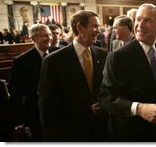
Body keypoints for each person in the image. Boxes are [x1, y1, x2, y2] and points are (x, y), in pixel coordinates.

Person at [99, 3, 156, 142]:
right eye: (138, 19)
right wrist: (139, 108)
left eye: (147, 20)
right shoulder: (118, 56)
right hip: (133, 132)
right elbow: (105, 97)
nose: (140, 25)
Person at [38, 10, 109, 142]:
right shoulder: (54, 60)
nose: (98, 31)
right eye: (94, 26)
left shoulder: (102, 55)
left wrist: (103, 104)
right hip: (70, 132)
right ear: (80, 28)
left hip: (100, 130)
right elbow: (47, 103)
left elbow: (107, 88)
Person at [8, 24, 52, 141]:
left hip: (56, 111)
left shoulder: (56, 55)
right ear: (33, 39)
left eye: (50, 35)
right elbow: (15, 91)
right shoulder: (21, 61)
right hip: (34, 112)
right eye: (45, 36)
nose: (49, 38)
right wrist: (19, 120)